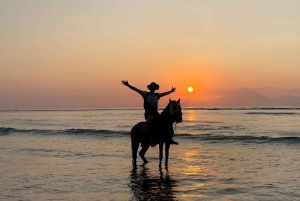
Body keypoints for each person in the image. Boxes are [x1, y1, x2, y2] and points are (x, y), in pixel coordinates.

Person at [122, 80, 179, 146]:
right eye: (152, 87)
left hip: (156, 114)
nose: (153, 88)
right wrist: (128, 85)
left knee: (166, 122)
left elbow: (164, 93)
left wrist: (171, 91)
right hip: (149, 115)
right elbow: (136, 90)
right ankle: (152, 140)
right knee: (151, 123)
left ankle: (168, 138)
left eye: (154, 87)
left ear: (155, 88)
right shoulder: (145, 94)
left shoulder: (157, 95)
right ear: (150, 88)